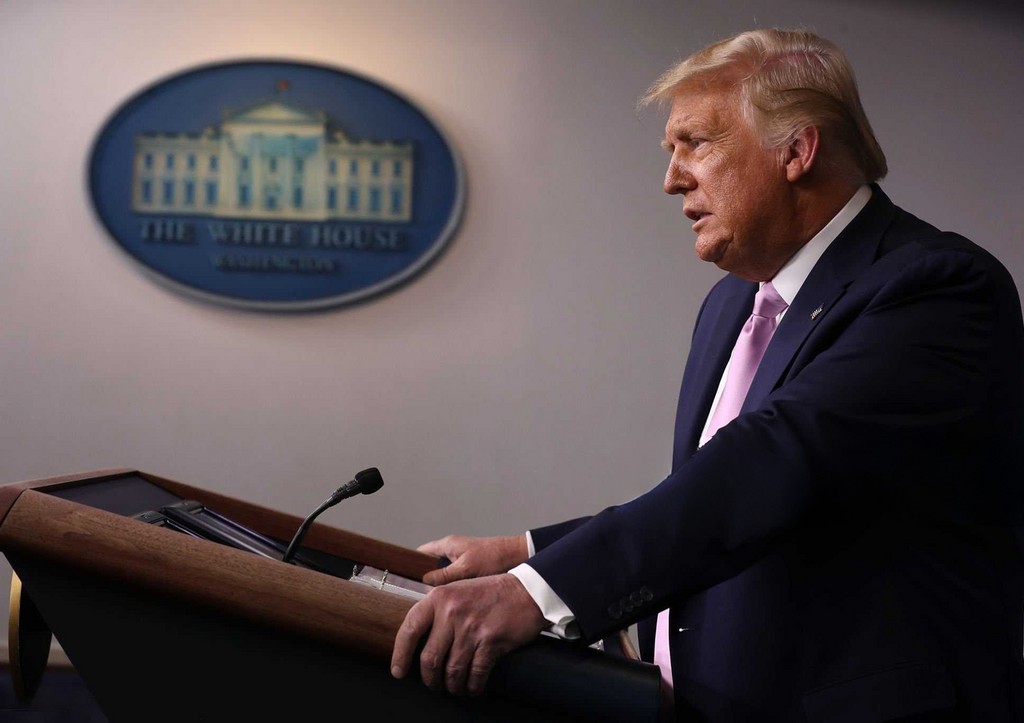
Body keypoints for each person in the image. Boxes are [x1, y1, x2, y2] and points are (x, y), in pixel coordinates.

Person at [390, 28, 1024, 722]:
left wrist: (539, 590)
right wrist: (526, 551)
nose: (672, 179)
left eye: (696, 143)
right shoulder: (732, 302)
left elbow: (771, 467)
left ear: (797, 151)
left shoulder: (937, 287)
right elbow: (723, 497)